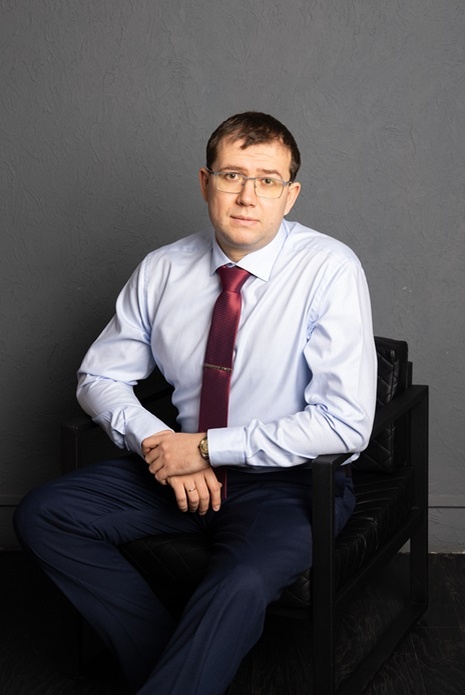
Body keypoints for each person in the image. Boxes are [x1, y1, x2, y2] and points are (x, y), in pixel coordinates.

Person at [14, 111, 377, 695]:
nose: (247, 196)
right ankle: (179, 668)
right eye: (232, 175)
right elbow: (98, 375)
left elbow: (344, 424)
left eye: (267, 180)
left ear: (290, 195)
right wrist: (160, 444)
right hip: (177, 471)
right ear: (206, 183)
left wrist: (206, 447)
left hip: (289, 483)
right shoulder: (163, 269)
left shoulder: (330, 269)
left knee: (241, 581)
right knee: (44, 514)